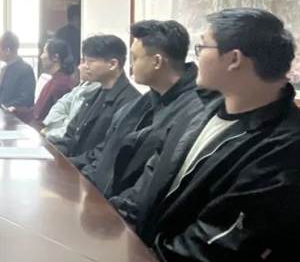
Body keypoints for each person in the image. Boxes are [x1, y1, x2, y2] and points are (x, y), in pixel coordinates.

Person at [113, 9, 300, 262]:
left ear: (234, 59)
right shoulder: (202, 111)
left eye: (202, 47)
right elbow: (150, 183)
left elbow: (212, 252)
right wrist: (112, 226)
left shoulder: (287, 147)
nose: (195, 57)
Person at [76, 21, 206, 198]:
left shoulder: (193, 111)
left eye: (135, 58)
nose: (131, 65)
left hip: (119, 210)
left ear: (157, 61)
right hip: (98, 198)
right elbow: (105, 154)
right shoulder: (142, 102)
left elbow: (148, 186)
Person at [54, 34, 140, 158]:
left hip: (88, 168)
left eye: (90, 61)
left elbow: (105, 154)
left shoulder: (131, 102)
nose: (84, 66)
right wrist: (54, 154)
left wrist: (69, 163)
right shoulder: (95, 94)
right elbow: (71, 135)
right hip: (73, 164)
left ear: (112, 64)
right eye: (84, 61)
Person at [41, 61, 100, 143]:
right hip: (58, 136)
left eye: (84, 61)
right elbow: (60, 104)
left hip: (68, 143)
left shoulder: (97, 92)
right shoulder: (83, 85)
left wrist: (51, 132)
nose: (79, 67)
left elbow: (74, 128)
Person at [0, 31, 36, 117]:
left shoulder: (25, 70)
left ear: (7, 50)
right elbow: (0, 93)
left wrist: (4, 108)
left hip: (16, 116)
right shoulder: (5, 69)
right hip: (2, 114)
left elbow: (26, 99)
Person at [31, 39, 76, 124]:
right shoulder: (55, 80)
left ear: (55, 57)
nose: (41, 56)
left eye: (44, 52)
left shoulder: (62, 84)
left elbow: (55, 120)